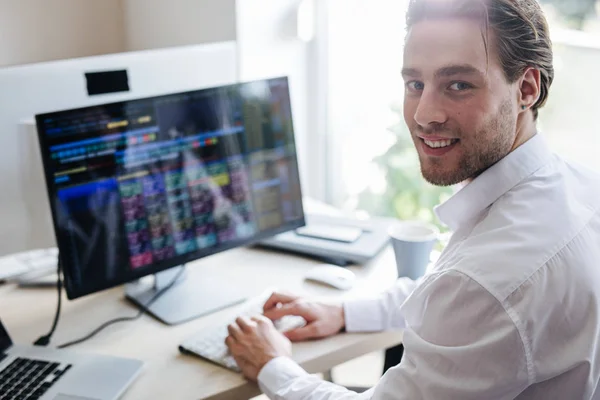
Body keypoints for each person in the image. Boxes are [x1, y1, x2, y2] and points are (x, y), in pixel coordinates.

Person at [224, 0, 600, 397]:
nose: (424, 114)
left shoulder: (489, 280)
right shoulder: (580, 188)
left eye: (458, 85)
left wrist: (273, 366)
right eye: (415, 84)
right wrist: (345, 312)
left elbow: (477, 293)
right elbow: (456, 299)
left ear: (526, 89)